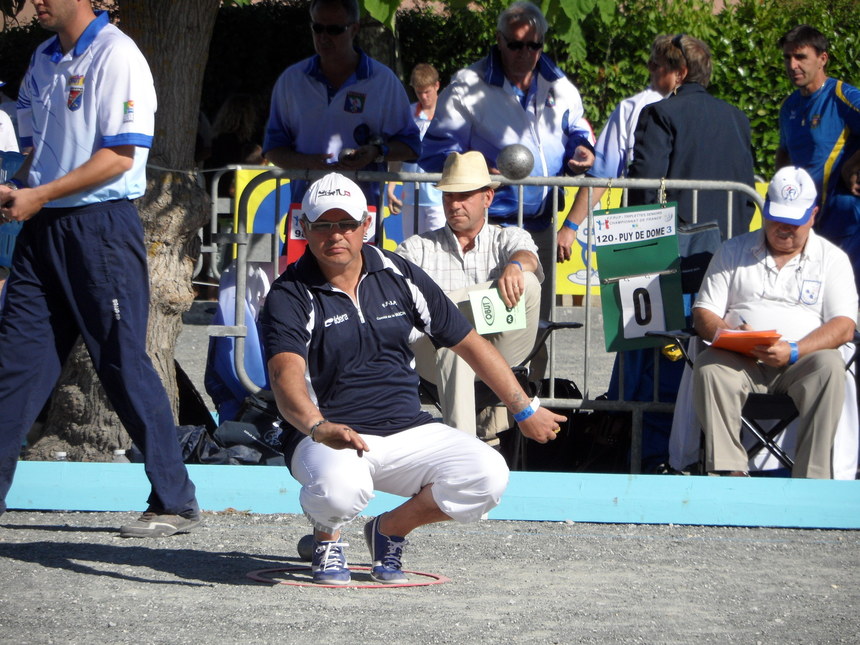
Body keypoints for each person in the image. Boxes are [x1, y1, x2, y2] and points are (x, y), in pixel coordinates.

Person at [260, 172, 564, 585]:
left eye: (346, 223)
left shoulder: (398, 273)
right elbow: (284, 375)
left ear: (366, 225)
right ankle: (327, 539)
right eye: (323, 225)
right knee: (341, 488)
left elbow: (469, 342)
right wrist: (318, 426)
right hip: (327, 435)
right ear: (304, 228)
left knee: (488, 475)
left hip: (406, 429)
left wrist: (524, 408)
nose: (337, 235)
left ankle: (389, 530)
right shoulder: (288, 293)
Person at [0, 0, 199, 537]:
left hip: (100, 227)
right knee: (14, 365)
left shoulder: (118, 54)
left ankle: (174, 501)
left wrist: (38, 193)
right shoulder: (42, 57)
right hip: (43, 229)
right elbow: (35, 151)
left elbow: (120, 156)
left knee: (121, 362)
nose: (33, 1)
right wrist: (17, 186)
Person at [419, 1, 595, 316]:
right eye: (515, 44)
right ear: (499, 40)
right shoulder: (467, 88)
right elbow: (432, 153)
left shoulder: (560, 86)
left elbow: (577, 128)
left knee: (535, 333)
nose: (523, 52)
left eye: (533, 45)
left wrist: (580, 150)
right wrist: (476, 169)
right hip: (485, 231)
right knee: (480, 330)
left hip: (540, 228)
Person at [692, 167, 857, 478]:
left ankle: (812, 478)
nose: (783, 228)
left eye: (793, 221)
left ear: (813, 215)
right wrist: (728, 335)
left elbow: (844, 325)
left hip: (803, 361)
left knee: (830, 367)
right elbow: (703, 312)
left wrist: (795, 350)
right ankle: (729, 473)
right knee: (710, 368)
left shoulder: (832, 259)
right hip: (740, 359)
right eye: (776, 217)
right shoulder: (733, 251)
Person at [397, 151, 543, 444]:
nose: (454, 204)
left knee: (527, 280)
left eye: (464, 195)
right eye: (449, 196)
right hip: (436, 353)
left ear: (487, 198)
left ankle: (462, 457)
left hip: (500, 347)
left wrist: (515, 265)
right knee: (454, 345)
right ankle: (463, 456)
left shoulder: (506, 238)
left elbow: (528, 255)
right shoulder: (416, 248)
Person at [262, 0, 420, 240]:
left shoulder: (382, 81)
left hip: (361, 212)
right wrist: (310, 163)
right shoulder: (291, 81)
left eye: (335, 29)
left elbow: (411, 147)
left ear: (354, 29)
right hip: (306, 211)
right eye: (318, 28)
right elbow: (273, 150)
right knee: (299, 277)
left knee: (363, 278)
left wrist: (375, 152)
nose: (325, 37)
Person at [557, 35, 679, 263]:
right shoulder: (708, 110)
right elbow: (602, 174)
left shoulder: (631, 109)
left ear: (652, 66)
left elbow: (603, 174)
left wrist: (570, 227)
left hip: (644, 226)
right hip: (682, 227)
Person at [628, 33, 756, 239]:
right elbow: (748, 193)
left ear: (680, 73)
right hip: (732, 240)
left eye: (655, 64)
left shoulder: (660, 113)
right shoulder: (738, 117)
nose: (650, 70)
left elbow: (645, 181)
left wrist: (635, 234)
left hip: (681, 242)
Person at [775, 25, 860, 292]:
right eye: (788, 57)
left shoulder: (842, 96)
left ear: (823, 58)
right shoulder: (789, 106)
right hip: (807, 225)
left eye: (800, 57)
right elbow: (785, 154)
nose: (792, 65)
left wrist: (854, 163)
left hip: (846, 222)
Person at [386, 63, 445, 239]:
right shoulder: (408, 114)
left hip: (441, 197)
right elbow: (399, 152)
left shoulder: (451, 113)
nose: (423, 96)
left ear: (437, 86)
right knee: (411, 250)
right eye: (419, 92)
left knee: (439, 250)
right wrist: (391, 187)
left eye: (427, 91)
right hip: (411, 196)